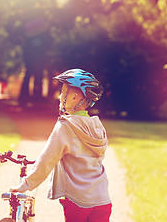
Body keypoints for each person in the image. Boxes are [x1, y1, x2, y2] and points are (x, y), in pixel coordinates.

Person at [10, 69, 112, 222]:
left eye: (63, 92)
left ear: (74, 96)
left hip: (78, 201)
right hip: (102, 199)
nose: (59, 96)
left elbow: (47, 160)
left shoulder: (66, 126)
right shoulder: (97, 125)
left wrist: (25, 184)